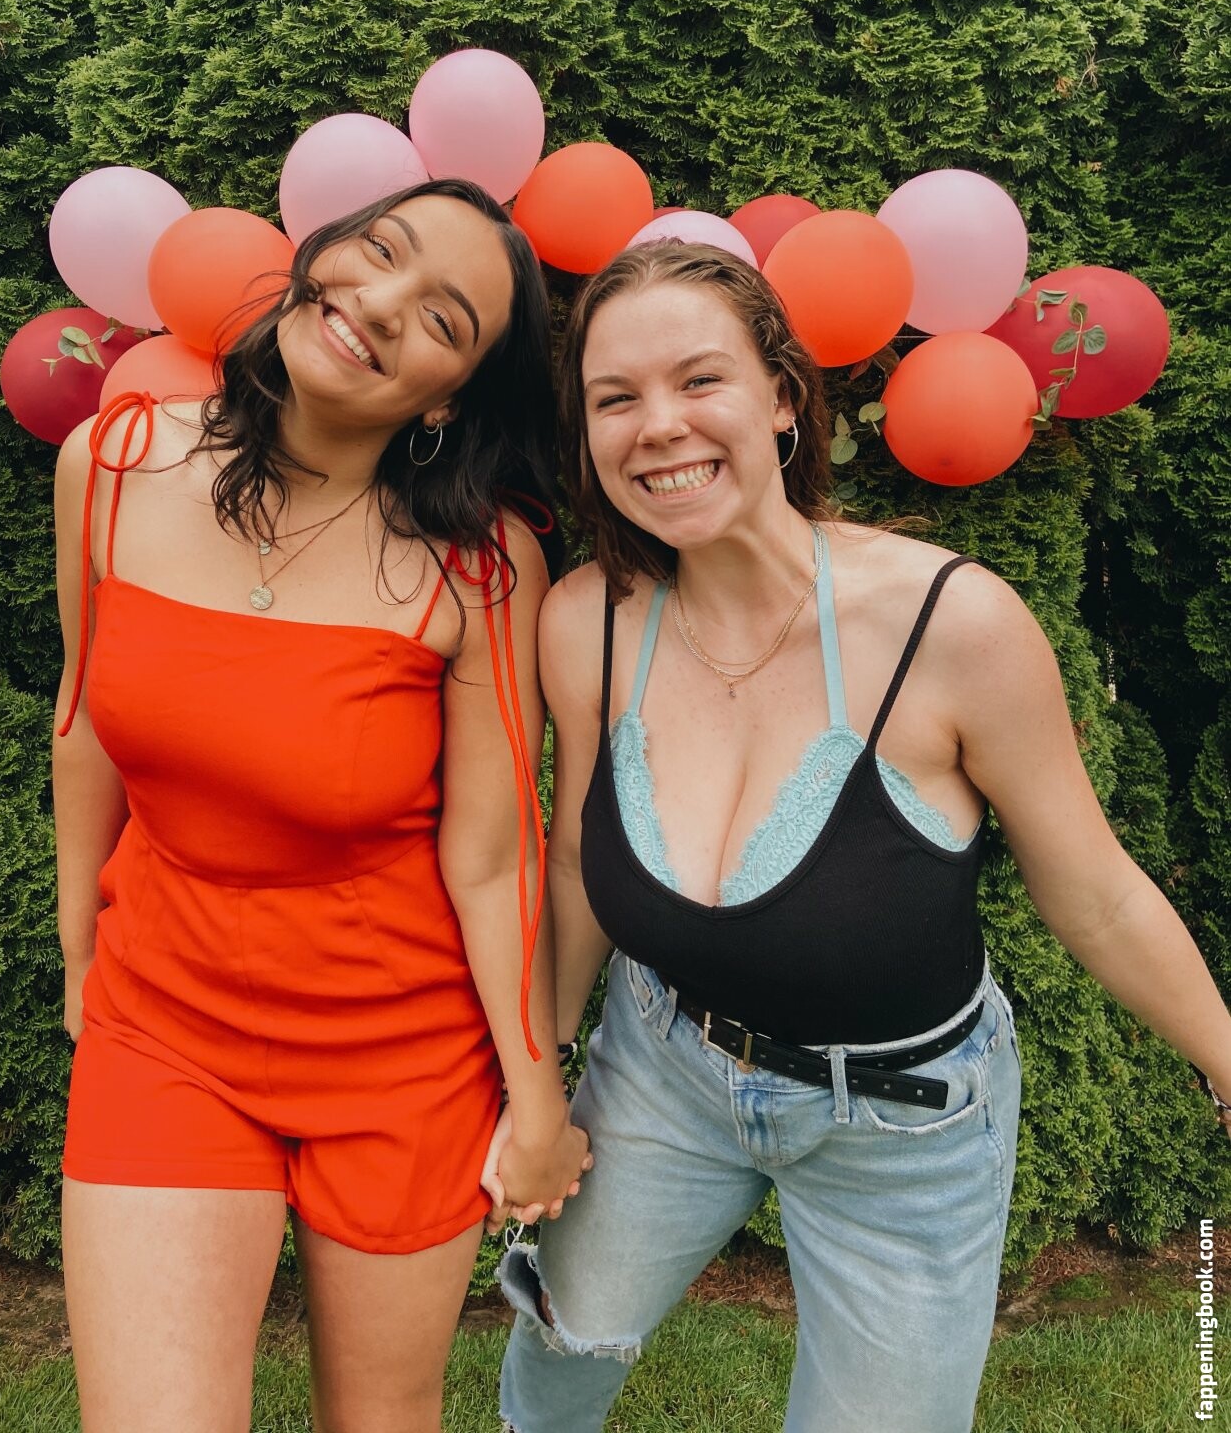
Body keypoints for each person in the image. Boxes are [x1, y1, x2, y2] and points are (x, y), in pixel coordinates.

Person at [494, 240, 1231, 1433]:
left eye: (700, 380)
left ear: (783, 398)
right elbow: (579, 861)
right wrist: (532, 1079)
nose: (659, 426)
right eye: (614, 398)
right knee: (561, 1344)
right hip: (663, 1063)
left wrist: (1227, 1060)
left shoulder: (955, 626)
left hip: (905, 1123)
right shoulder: (590, 622)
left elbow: (1094, 892)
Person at [53, 179, 590, 1433]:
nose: (382, 303)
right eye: (379, 251)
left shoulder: (480, 567)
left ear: (447, 399)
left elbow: (495, 856)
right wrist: (77, 950)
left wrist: (536, 1095)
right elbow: (81, 722)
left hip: (401, 1058)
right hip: (164, 1025)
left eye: (443, 318)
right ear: (321, 254)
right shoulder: (111, 463)